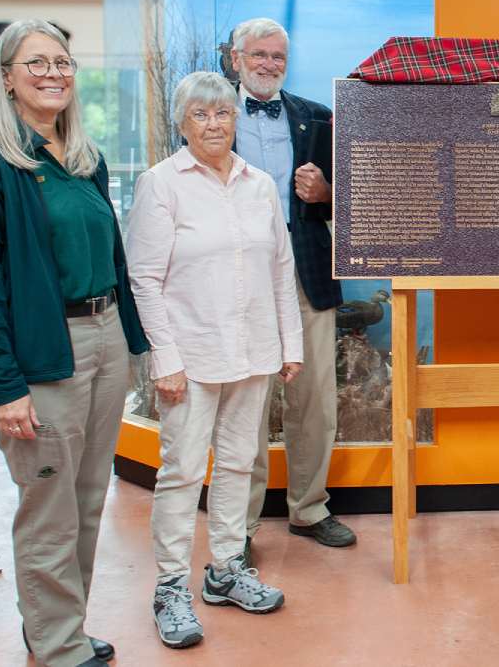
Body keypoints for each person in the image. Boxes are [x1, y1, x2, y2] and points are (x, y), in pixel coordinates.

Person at [0, 19, 148, 667]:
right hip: (43, 350)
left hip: (105, 335)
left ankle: (62, 628)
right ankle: (59, 645)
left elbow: (112, 256)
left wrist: (134, 342)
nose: (54, 73)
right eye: (36, 63)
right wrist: (4, 384)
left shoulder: (84, 159)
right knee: (49, 505)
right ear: (5, 78)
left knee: (89, 499)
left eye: (63, 61)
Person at [126, 71, 302, 648]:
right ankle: (171, 586)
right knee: (180, 472)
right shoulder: (162, 184)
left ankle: (226, 569)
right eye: (200, 115)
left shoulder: (256, 185)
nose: (213, 124)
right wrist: (165, 359)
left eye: (222, 114)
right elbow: (144, 279)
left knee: (236, 463)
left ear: (235, 119)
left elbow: (281, 268)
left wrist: (289, 345)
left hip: (253, 352)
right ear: (182, 123)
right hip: (192, 356)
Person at [230, 17, 356, 550]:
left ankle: (309, 508)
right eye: (258, 55)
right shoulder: (209, 117)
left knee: (315, 400)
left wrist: (327, 193)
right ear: (236, 58)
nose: (268, 65)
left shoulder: (316, 116)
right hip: (237, 277)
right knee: (247, 405)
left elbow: (360, 204)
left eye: (277, 57)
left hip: (305, 265)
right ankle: (241, 524)